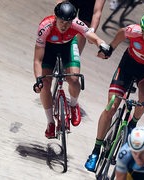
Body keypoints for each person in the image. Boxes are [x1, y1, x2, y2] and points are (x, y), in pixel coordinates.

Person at [85, 12, 144, 171]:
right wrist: (111, 48)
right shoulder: (133, 31)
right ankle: (95, 151)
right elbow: (121, 33)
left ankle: (132, 123)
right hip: (127, 66)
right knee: (111, 107)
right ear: (141, 30)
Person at [33, 1, 111, 138]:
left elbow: (89, 34)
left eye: (68, 23)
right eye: (62, 22)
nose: (65, 25)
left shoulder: (75, 23)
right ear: (55, 18)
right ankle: (50, 122)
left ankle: (74, 105)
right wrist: (38, 79)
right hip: (49, 50)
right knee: (45, 84)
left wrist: (101, 43)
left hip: (68, 46)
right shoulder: (45, 27)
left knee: (74, 79)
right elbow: (37, 60)